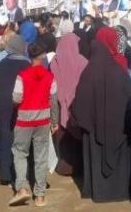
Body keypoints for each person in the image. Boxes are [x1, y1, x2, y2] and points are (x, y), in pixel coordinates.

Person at [71, 39, 131, 203]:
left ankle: (97, 191)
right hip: (118, 128)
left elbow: (79, 104)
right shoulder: (119, 71)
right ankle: (118, 192)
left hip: (93, 130)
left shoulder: (88, 72)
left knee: (95, 156)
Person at [8, 43, 60, 207]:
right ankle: (40, 195)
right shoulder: (50, 76)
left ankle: (22, 188)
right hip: (43, 121)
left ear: (29, 56)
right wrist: (55, 122)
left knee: (20, 153)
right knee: (41, 156)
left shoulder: (22, 75)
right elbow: (54, 101)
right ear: (43, 56)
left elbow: (16, 98)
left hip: (24, 120)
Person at [0, 35, 31, 186]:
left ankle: (5, 174)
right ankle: (21, 173)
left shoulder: (0, 64)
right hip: (21, 105)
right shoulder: (27, 64)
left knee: (5, 137)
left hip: (3, 105)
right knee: (22, 140)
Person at [49, 33, 88, 176]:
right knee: (76, 138)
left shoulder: (54, 62)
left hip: (58, 105)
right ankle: (78, 166)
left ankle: (64, 166)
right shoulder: (83, 62)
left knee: (62, 137)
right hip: (77, 105)